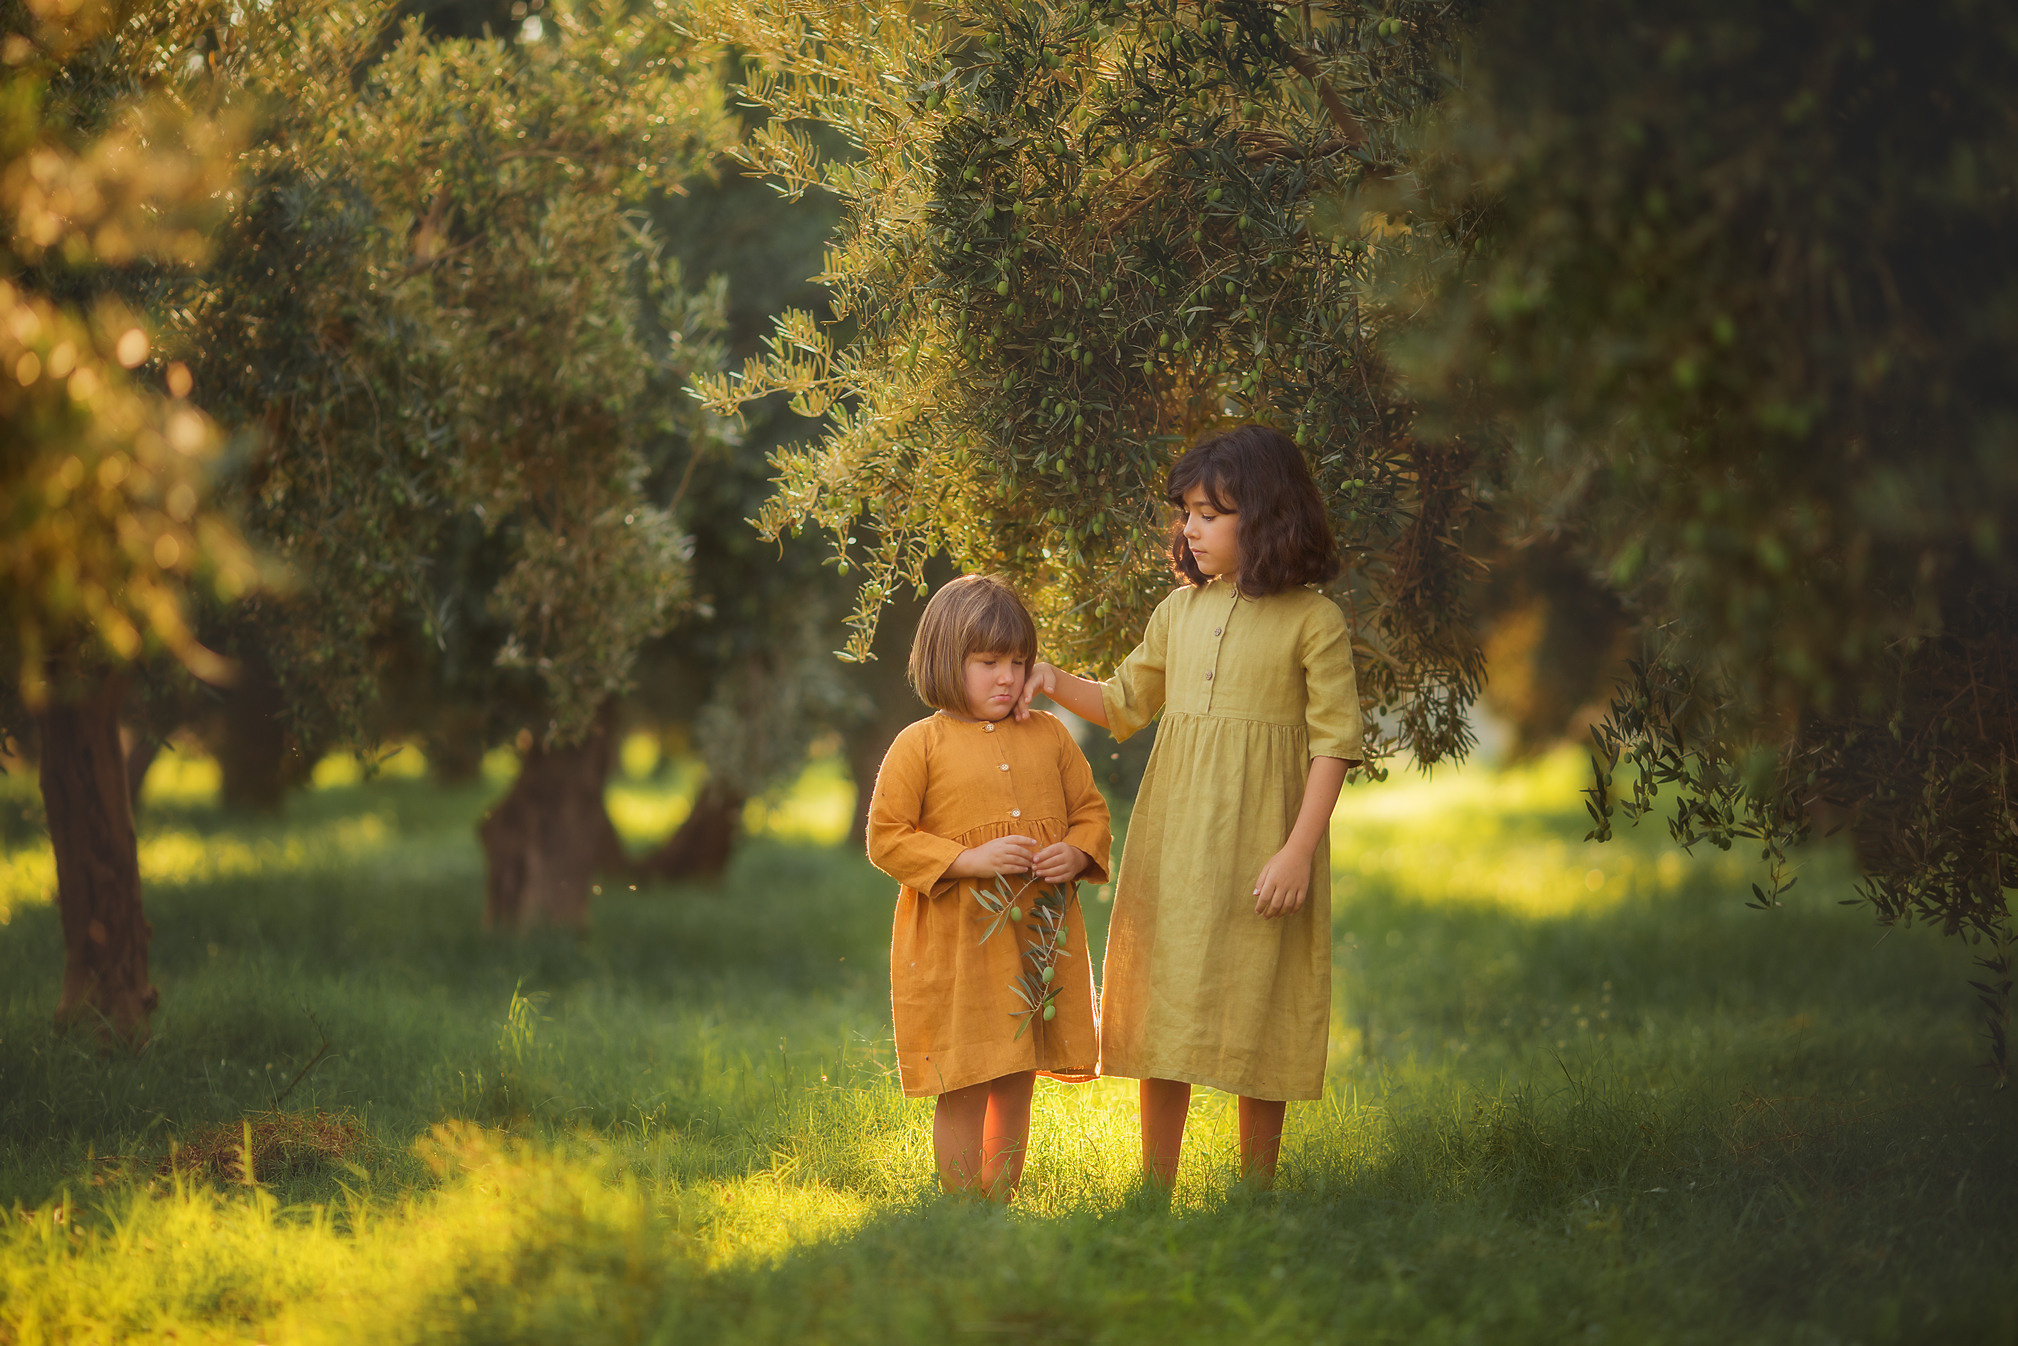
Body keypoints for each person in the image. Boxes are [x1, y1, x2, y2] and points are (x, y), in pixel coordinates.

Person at [1018, 424, 1362, 1189]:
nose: (1191, 527)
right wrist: (1047, 678)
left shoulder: (1315, 621)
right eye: (1187, 512)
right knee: (1165, 989)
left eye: (1212, 512)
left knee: (1261, 995)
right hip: (1175, 835)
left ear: (1267, 516)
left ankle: (1256, 1194)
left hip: (1263, 840)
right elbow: (1122, 703)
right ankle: (1155, 1190)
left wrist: (1297, 851)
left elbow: (1334, 743)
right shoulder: (1179, 611)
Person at [867, 574, 1112, 1200]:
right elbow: (886, 838)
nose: (1006, 677)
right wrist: (968, 860)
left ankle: (1000, 1197)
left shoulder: (1051, 735)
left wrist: (1075, 851)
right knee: (967, 1072)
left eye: (1017, 662)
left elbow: (1090, 810)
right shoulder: (918, 744)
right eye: (987, 662)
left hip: (1035, 939)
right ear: (949, 661)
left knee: (1016, 1073)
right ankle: (959, 1206)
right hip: (960, 946)